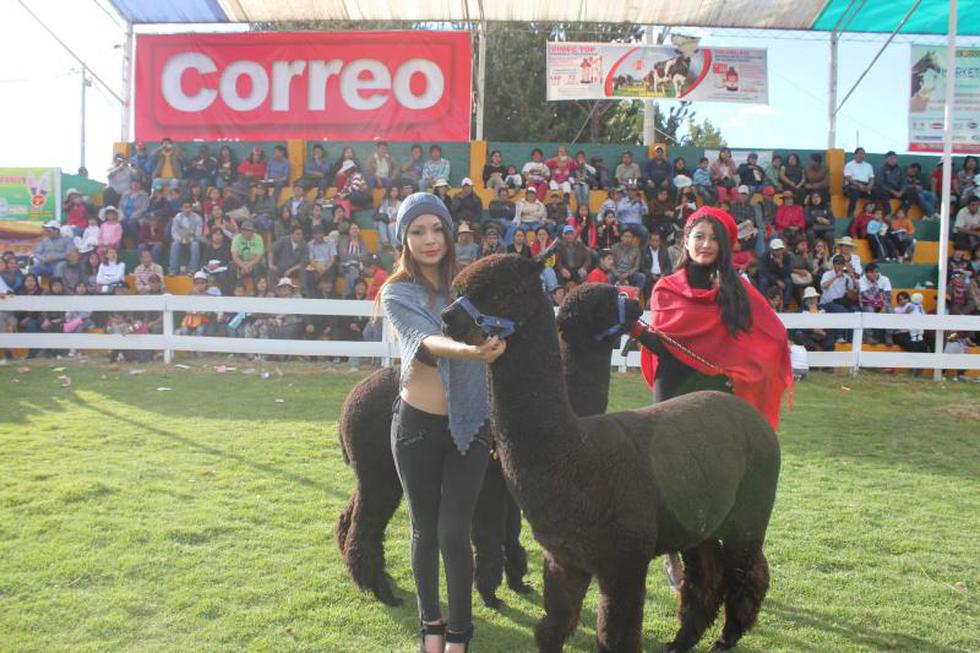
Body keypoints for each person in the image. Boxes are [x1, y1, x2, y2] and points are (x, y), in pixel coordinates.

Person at [633, 205, 792, 588]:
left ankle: (710, 556)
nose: (705, 244)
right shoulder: (666, 287)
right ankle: (671, 554)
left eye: (713, 239)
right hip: (673, 384)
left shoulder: (739, 290)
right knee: (668, 471)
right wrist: (637, 332)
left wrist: (743, 373)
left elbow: (773, 335)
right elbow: (668, 345)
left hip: (716, 392)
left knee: (712, 475)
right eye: (698, 236)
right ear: (686, 241)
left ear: (724, 245)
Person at [379, 192, 505, 653]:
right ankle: (431, 625)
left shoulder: (472, 284)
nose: (429, 239)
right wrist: (470, 350)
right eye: (417, 231)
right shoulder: (397, 293)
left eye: (437, 229)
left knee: (455, 531)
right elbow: (426, 341)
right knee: (424, 529)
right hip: (416, 428)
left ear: (451, 234)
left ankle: (459, 635)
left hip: (472, 426)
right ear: (404, 240)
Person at [169, 201, 204, 274]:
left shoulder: (197, 218)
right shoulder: (177, 218)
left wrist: (190, 238)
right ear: (181, 208)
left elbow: (198, 233)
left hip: (193, 239)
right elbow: (174, 232)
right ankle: (173, 269)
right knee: (174, 244)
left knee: (195, 245)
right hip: (180, 239)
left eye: (189, 207)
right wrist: (181, 239)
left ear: (192, 208)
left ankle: (193, 268)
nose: (187, 210)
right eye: (185, 207)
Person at [231, 221, 266, 287]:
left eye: (249, 230)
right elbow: (235, 257)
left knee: (256, 269)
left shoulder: (258, 238)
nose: (246, 232)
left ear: (253, 231)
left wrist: (248, 266)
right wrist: (243, 266)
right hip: (241, 263)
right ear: (241, 230)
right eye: (244, 230)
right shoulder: (236, 239)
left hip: (255, 263)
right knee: (232, 269)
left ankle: (255, 290)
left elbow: (258, 257)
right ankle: (235, 290)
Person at [843, 147, 875, 217]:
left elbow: (872, 178)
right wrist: (859, 185)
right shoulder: (849, 165)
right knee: (854, 191)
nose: (861, 155)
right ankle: (850, 214)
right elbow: (848, 178)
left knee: (877, 192)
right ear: (855, 155)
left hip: (865, 186)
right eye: (860, 153)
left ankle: (872, 214)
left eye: (863, 154)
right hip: (853, 185)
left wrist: (869, 186)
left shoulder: (868, 166)